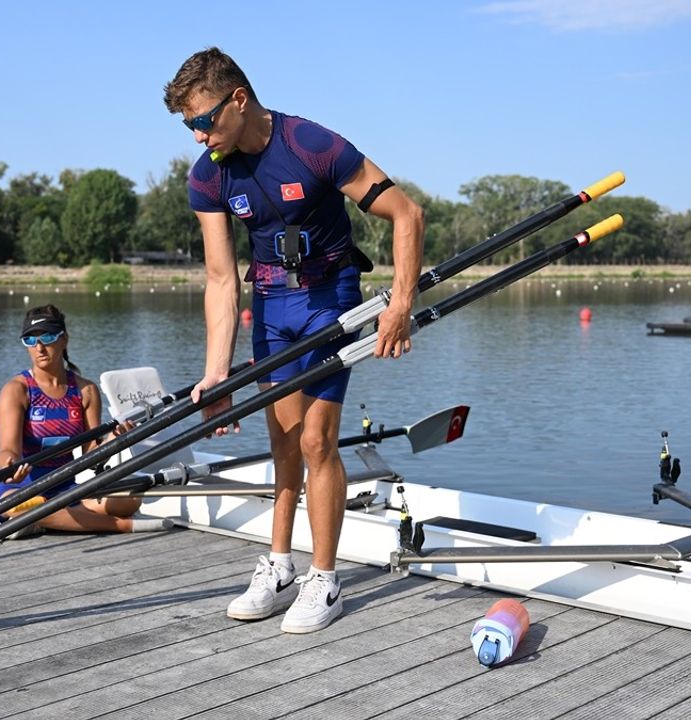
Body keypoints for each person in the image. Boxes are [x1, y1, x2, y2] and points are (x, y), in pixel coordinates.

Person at [163, 48, 425, 633]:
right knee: (283, 439)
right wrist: (217, 373)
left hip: (331, 300)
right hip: (273, 308)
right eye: (188, 126)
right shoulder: (209, 173)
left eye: (203, 120)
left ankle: (325, 581)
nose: (198, 135)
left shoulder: (312, 144)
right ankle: (280, 567)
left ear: (238, 99)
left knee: (316, 440)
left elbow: (407, 214)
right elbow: (220, 278)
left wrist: (401, 305)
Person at [0, 304, 171, 535]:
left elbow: (91, 455)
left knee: (129, 500)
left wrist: (114, 438)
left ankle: (47, 519)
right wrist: (9, 465)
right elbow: (7, 450)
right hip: (19, 489)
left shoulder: (86, 391)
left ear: (64, 339)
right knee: (21, 507)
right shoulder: (17, 390)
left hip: (66, 488)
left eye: (47, 337)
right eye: (30, 340)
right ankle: (123, 526)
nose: (39, 347)